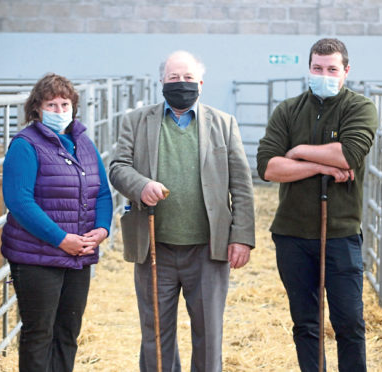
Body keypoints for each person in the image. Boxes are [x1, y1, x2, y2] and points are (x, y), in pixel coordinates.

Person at [109, 50, 255, 372]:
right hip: (154, 248)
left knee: (208, 334)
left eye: (188, 78)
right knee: (156, 334)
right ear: (161, 81)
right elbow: (118, 167)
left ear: (201, 83)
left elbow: (241, 185)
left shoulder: (223, 124)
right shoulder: (137, 121)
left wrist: (242, 237)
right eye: (174, 77)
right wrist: (140, 185)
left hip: (207, 250)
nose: (181, 83)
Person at [256, 38, 378, 372]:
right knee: (305, 323)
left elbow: (348, 153)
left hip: (341, 234)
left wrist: (296, 151)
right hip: (292, 234)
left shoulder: (360, 107)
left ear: (346, 71)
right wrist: (322, 165)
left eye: (331, 69)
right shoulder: (288, 110)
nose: (323, 74)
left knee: (349, 322)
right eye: (317, 68)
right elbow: (268, 167)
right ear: (309, 68)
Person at [1, 73, 113, 372]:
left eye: (65, 104)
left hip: (80, 253)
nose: (59, 111)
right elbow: (20, 201)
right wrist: (61, 239)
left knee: (68, 331)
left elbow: (102, 191)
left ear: (73, 107)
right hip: (38, 255)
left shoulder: (83, 143)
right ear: (37, 108)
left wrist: (101, 230)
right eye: (52, 105)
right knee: (39, 332)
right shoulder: (25, 145)